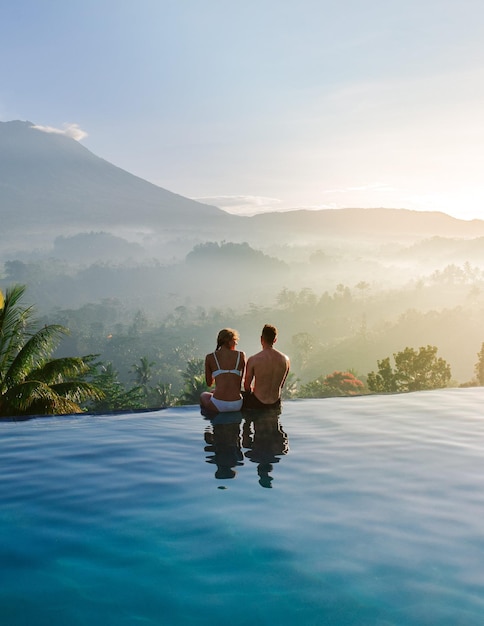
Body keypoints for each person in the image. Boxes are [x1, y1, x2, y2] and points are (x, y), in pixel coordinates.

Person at [243, 324, 290, 410]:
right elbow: (281, 385)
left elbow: (246, 386)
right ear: (275, 340)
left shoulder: (253, 360)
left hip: (257, 402)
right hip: (275, 403)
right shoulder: (285, 360)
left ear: (261, 338)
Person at [200, 328, 246, 413]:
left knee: (204, 395)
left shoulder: (210, 357)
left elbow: (209, 383)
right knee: (214, 391)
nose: (236, 343)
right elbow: (239, 383)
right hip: (237, 404)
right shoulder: (241, 355)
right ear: (229, 341)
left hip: (219, 404)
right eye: (235, 340)